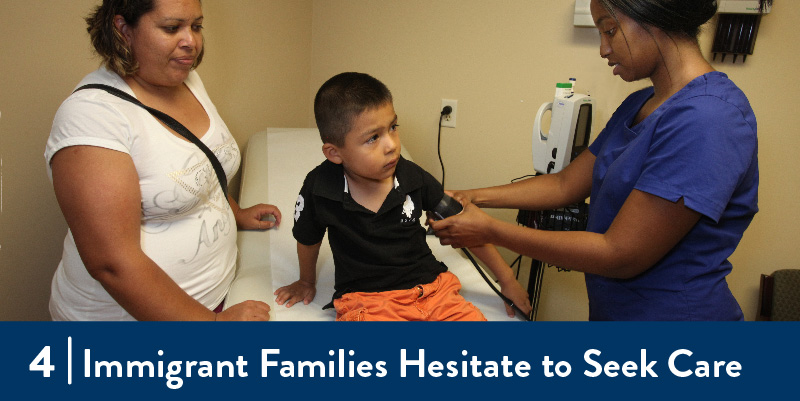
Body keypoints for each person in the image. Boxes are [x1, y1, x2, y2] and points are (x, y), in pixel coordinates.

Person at [430, 0, 759, 321]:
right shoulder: (640, 103)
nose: (603, 49)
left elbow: (620, 254)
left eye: (610, 30)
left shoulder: (708, 117)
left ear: (654, 16)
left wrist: (489, 230)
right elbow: (564, 184)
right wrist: (472, 196)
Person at [44, 0, 280, 321]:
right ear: (123, 29)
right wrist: (213, 326)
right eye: (172, 28)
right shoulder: (91, 117)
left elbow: (198, 166)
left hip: (214, 297)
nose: (191, 42)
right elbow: (111, 264)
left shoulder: (185, 79)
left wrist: (235, 212)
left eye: (196, 26)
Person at [273, 72, 531, 321]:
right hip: (367, 300)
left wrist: (507, 280)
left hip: (432, 290)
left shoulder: (413, 177)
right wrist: (306, 281)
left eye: (393, 127)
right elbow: (308, 238)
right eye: (373, 138)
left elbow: (466, 226)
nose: (392, 144)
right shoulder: (320, 189)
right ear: (334, 153)